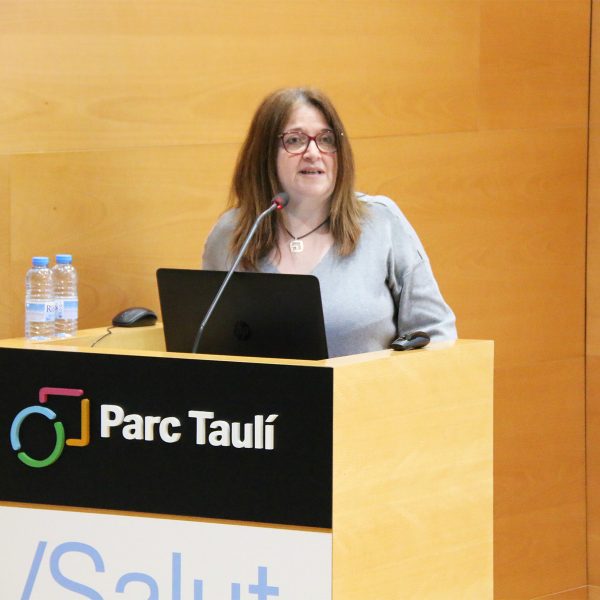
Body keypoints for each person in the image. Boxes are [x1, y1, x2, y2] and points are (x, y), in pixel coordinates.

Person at [202, 87, 456, 357]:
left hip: (370, 385)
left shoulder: (381, 222)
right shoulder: (232, 234)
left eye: (326, 139)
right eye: (295, 140)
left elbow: (436, 333)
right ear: (265, 153)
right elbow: (208, 342)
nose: (313, 152)